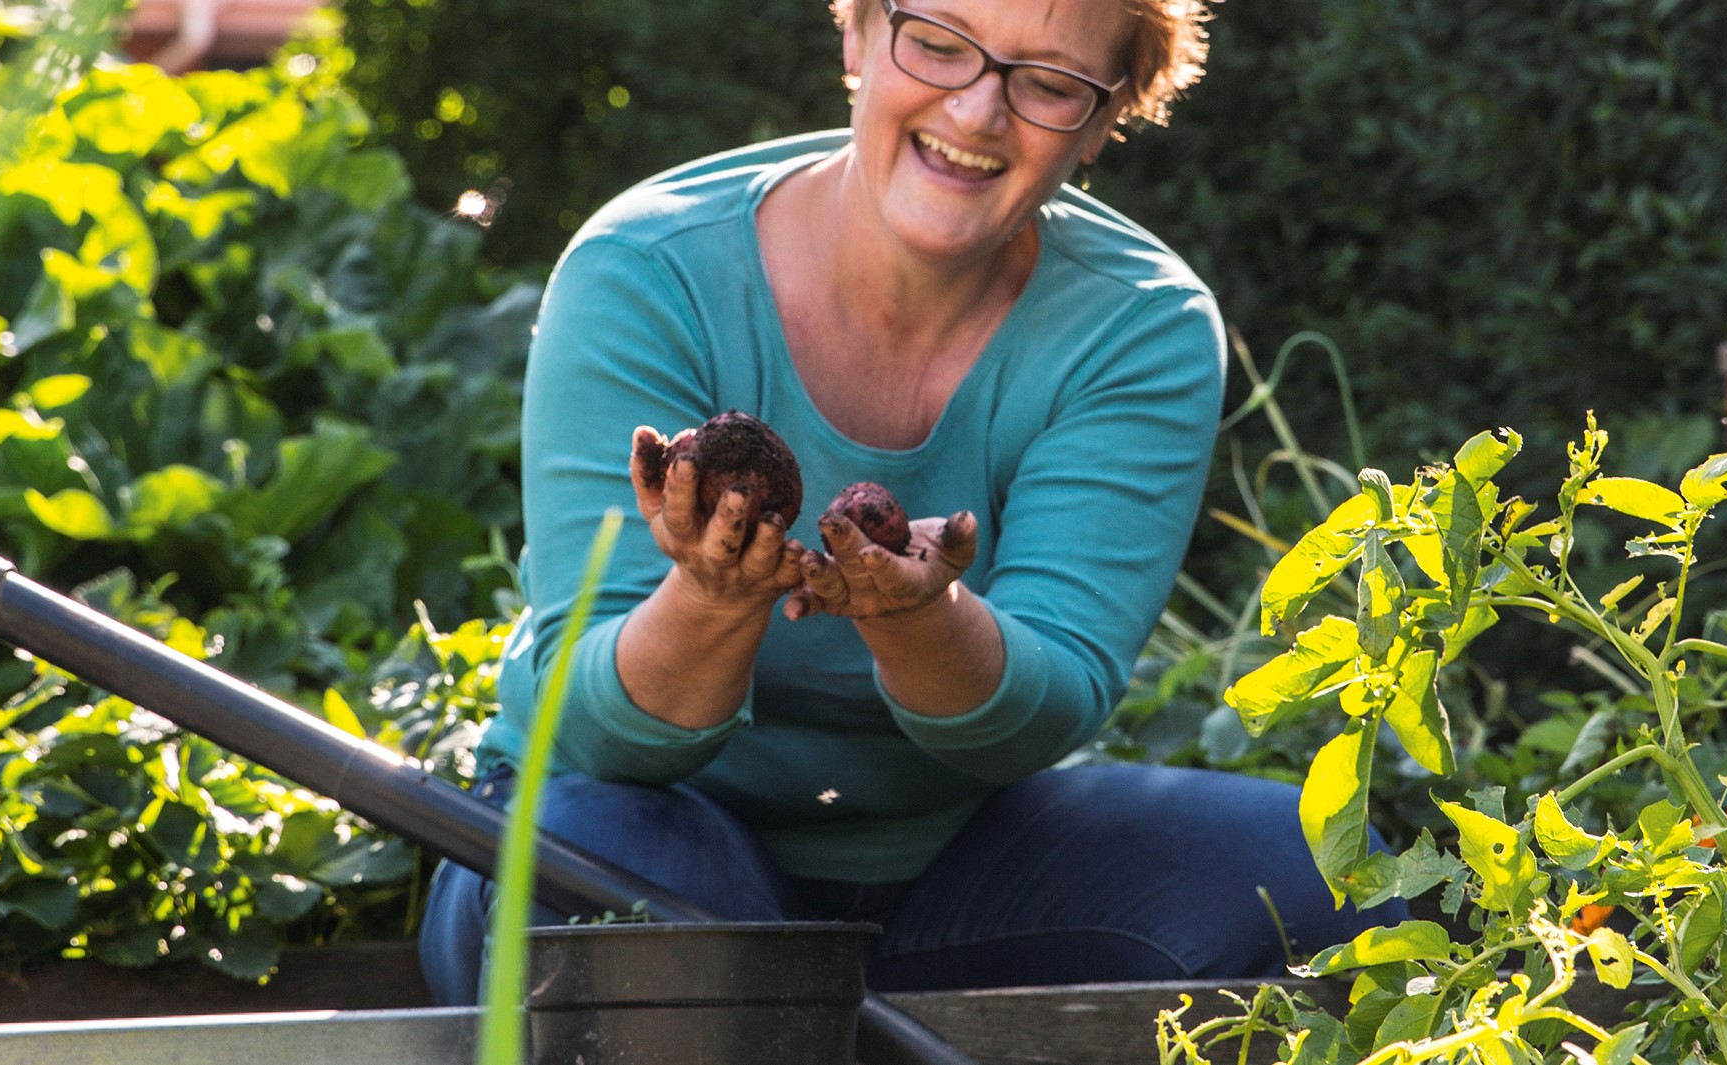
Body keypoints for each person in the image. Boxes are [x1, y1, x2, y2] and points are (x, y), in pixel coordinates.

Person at [418, 0, 1406, 1005]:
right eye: (937, 42)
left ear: (1110, 117)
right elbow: (589, 739)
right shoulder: (647, 271)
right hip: (644, 830)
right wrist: (712, 601)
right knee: (605, 893)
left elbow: (1046, 703)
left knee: (1313, 873)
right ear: (854, 34)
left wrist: (920, 616)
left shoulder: (1138, 326)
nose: (978, 112)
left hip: (951, 871)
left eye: (1051, 83)